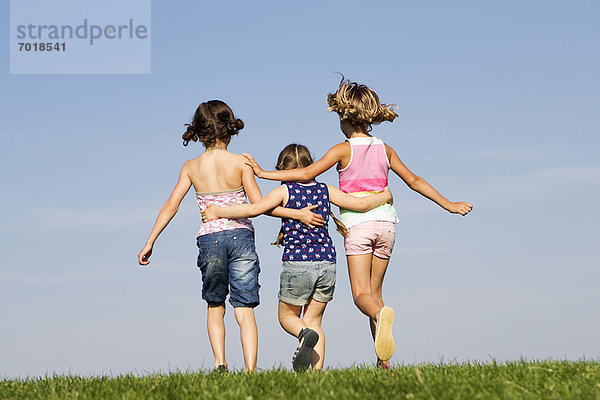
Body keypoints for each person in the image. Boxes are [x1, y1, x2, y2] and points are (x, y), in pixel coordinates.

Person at [242, 76, 473, 369]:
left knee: (363, 296)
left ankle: (380, 317)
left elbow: (304, 175)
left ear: (344, 117)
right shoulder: (384, 149)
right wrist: (448, 204)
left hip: (360, 227)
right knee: (375, 295)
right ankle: (383, 363)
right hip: (387, 224)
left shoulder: (342, 149)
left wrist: (263, 174)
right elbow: (413, 181)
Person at [137, 100, 323, 373]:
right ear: (230, 128)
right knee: (245, 308)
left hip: (210, 241)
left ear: (199, 132)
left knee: (215, 305)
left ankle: (220, 362)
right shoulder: (242, 163)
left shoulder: (190, 166)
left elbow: (171, 205)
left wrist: (150, 240)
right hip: (241, 237)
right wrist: (298, 214)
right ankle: (250, 370)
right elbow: (262, 205)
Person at [202, 144, 393, 371]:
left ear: (283, 170)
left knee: (286, 317)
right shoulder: (325, 190)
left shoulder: (285, 192)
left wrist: (218, 211)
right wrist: (384, 195)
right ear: (310, 166)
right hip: (328, 264)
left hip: (298, 263)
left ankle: (303, 334)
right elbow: (360, 204)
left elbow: (254, 209)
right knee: (315, 320)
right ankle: (316, 375)